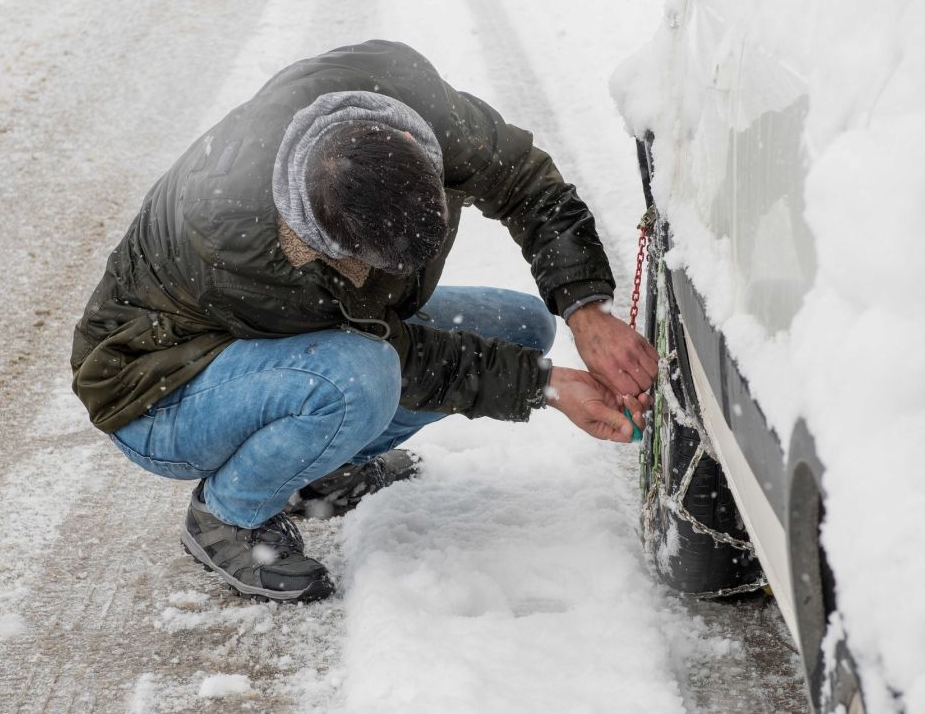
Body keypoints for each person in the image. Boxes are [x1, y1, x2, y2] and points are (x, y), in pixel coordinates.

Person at [70, 40, 658, 602]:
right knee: (358, 378)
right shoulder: (242, 242)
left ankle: (318, 473)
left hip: (277, 349)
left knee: (523, 326)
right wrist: (546, 385)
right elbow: (403, 359)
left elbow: (527, 184)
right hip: (159, 388)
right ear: (322, 239)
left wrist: (587, 310)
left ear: (413, 142)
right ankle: (228, 515)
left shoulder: (410, 100)